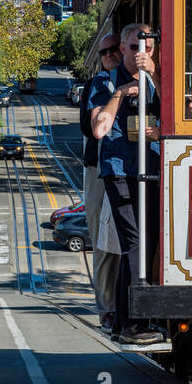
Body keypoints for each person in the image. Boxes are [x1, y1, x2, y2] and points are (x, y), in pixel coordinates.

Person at [89, 22, 164, 345]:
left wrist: (154, 76)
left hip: (152, 168)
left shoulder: (158, 80)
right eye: (134, 47)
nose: (140, 53)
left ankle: (123, 322)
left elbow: (175, 116)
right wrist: (121, 93)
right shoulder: (104, 81)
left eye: (147, 47)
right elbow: (98, 129)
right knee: (134, 242)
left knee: (146, 244)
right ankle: (136, 323)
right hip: (119, 170)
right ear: (123, 49)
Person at [80, 34, 121, 334]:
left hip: (130, 168)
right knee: (103, 242)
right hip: (98, 171)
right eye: (103, 52)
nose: (108, 55)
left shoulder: (143, 82)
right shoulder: (97, 86)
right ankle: (107, 308)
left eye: (113, 49)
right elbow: (92, 128)